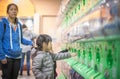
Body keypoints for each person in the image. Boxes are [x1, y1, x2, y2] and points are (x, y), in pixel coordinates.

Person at [0, 3, 33, 79]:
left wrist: (30, 42)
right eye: (11, 9)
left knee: (14, 77)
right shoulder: (3, 23)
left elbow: (21, 39)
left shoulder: (19, 25)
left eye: (15, 9)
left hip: (18, 56)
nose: (13, 11)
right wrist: (1, 56)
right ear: (7, 11)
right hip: (6, 56)